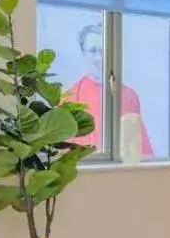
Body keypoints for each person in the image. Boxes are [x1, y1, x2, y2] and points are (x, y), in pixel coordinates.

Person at [63, 22, 155, 158]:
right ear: (83, 54)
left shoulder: (129, 96)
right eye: (93, 51)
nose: (99, 58)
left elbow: (140, 153)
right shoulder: (69, 98)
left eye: (103, 51)